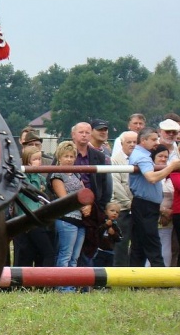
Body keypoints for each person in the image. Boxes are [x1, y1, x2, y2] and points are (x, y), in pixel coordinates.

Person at [128, 128, 180, 267]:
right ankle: (161, 276)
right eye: (153, 139)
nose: (156, 142)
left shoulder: (141, 155)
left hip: (144, 204)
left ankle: (135, 277)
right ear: (143, 140)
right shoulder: (143, 157)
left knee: (139, 245)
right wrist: (172, 167)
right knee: (152, 243)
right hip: (145, 206)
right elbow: (151, 178)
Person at [50, 141, 90, 292]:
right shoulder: (57, 175)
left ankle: (70, 286)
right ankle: (61, 286)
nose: (69, 159)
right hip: (66, 219)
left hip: (80, 219)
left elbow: (85, 193)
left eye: (71, 156)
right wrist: (82, 205)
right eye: (65, 156)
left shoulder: (76, 174)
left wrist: (88, 205)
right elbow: (64, 198)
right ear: (59, 158)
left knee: (75, 256)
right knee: (65, 254)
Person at [71, 121, 112, 269]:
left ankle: (87, 280)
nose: (84, 135)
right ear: (73, 135)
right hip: (70, 206)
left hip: (93, 207)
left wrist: (98, 206)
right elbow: (54, 179)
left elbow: (104, 183)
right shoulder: (65, 154)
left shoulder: (98, 156)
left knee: (90, 247)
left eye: (87, 132)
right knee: (69, 249)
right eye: (81, 132)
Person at [12, 146, 55, 268]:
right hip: (28, 219)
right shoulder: (21, 177)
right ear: (27, 161)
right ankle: (45, 278)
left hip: (38, 219)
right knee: (46, 253)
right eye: (35, 159)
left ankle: (39, 278)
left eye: (39, 159)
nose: (39, 162)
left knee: (37, 253)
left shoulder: (41, 178)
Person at [111, 130, 137, 266]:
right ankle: (120, 273)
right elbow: (116, 185)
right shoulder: (114, 160)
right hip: (123, 209)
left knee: (138, 244)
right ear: (122, 144)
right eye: (129, 142)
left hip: (138, 208)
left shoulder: (142, 159)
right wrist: (130, 203)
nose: (132, 144)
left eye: (135, 142)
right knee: (121, 244)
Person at [94, 201, 123, 267]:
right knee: (98, 268)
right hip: (99, 251)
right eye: (112, 211)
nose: (115, 213)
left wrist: (114, 234)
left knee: (108, 269)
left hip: (110, 252)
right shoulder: (101, 222)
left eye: (117, 212)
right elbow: (97, 233)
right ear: (106, 211)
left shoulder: (115, 225)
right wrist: (105, 225)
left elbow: (120, 238)